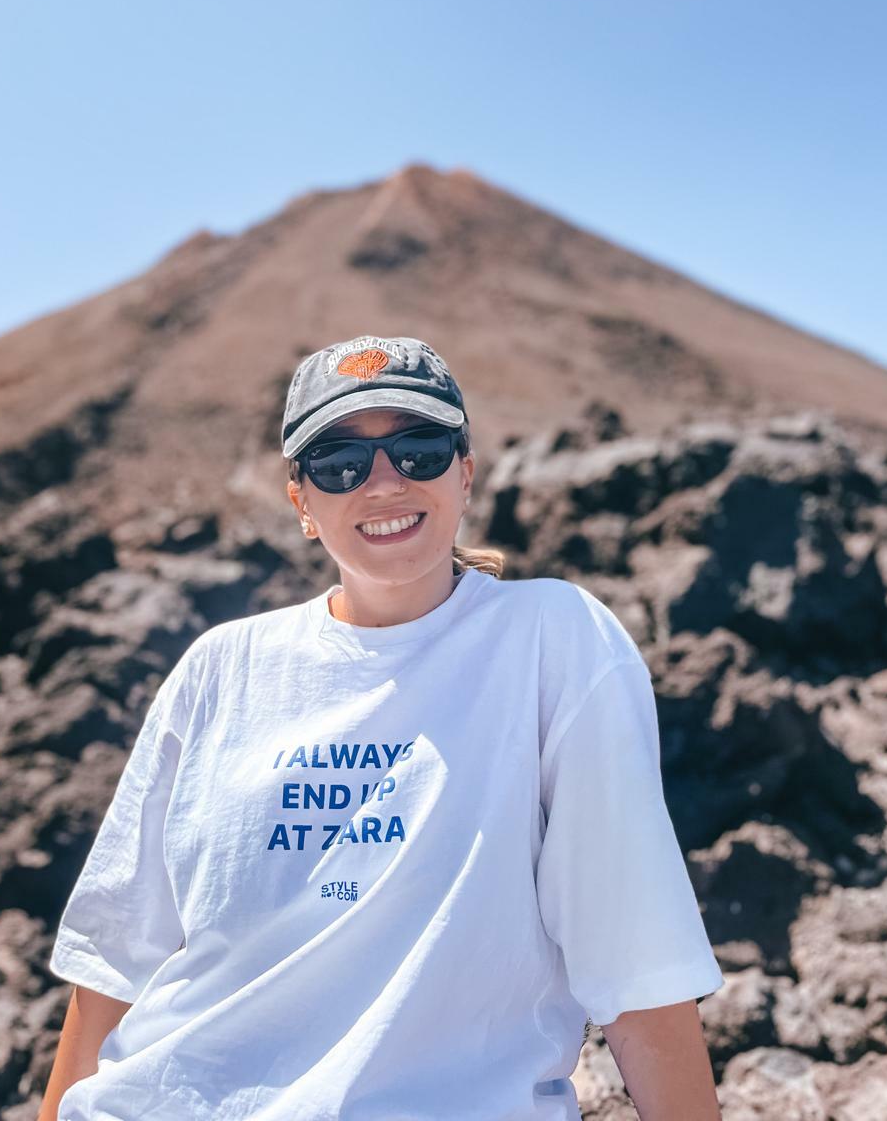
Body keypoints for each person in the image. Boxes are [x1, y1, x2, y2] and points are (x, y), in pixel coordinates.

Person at [41, 334, 724, 1121]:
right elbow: (115, 965)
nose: (385, 482)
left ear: (465, 475)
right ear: (300, 502)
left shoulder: (552, 638)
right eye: (340, 464)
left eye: (420, 450)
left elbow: (634, 962)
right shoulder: (221, 667)